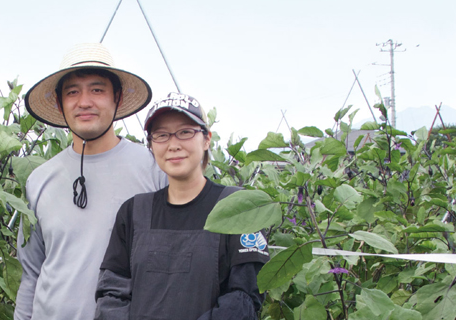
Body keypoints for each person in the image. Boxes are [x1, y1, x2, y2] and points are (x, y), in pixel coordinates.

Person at [15, 43, 169, 320]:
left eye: (97, 90)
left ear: (117, 98)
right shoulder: (39, 180)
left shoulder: (154, 171)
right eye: (72, 91)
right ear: (60, 103)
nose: (84, 101)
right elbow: (31, 274)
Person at [95, 93, 270, 320]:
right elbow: (112, 291)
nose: (173, 145)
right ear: (151, 145)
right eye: (162, 135)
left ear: (206, 139)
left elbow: (244, 297)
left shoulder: (240, 208)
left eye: (185, 132)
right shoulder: (134, 212)